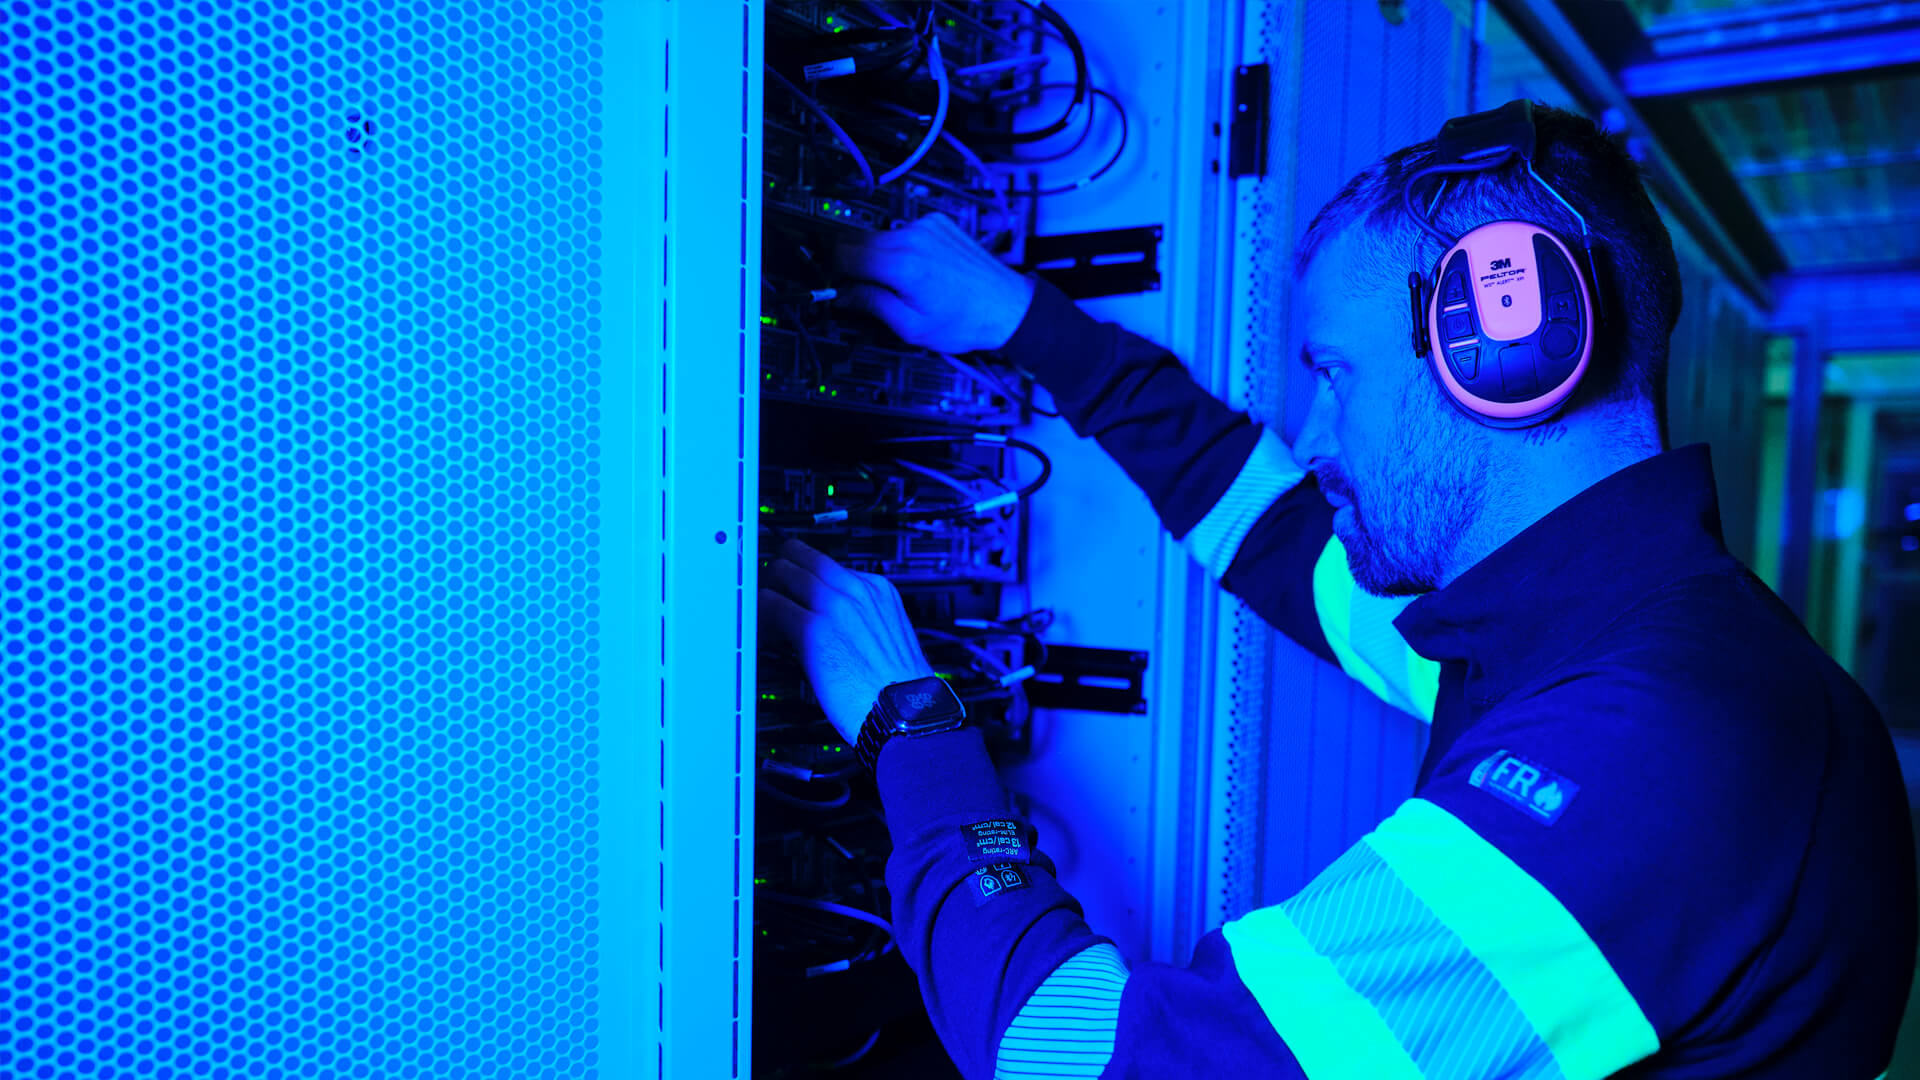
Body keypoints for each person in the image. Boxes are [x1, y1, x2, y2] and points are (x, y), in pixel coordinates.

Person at [757, 101, 1916, 1079]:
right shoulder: (1602, 636)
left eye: (1332, 373)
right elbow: (1283, 544)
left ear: (1501, 349)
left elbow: (1066, 1049)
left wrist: (914, 729)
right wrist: (1030, 328)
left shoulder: (1650, 749)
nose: (1309, 435)